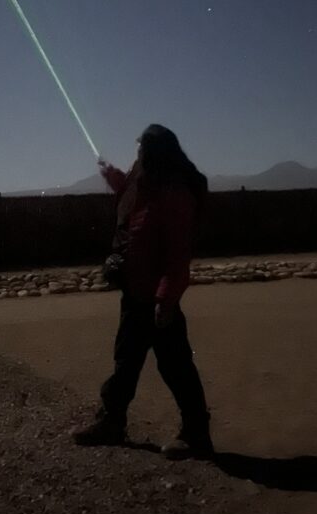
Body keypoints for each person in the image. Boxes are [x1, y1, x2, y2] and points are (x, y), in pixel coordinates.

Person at [72, 124, 213, 460]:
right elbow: (130, 195)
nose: (137, 157)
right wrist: (111, 175)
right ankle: (112, 422)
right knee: (126, 361)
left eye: (141, 152)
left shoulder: (175, 195)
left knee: (175, 366)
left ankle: (196, 434)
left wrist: (165, 300)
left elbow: (177, 255)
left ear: (155, 154)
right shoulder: (146, 181)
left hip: (157, 299)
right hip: (136, 294)